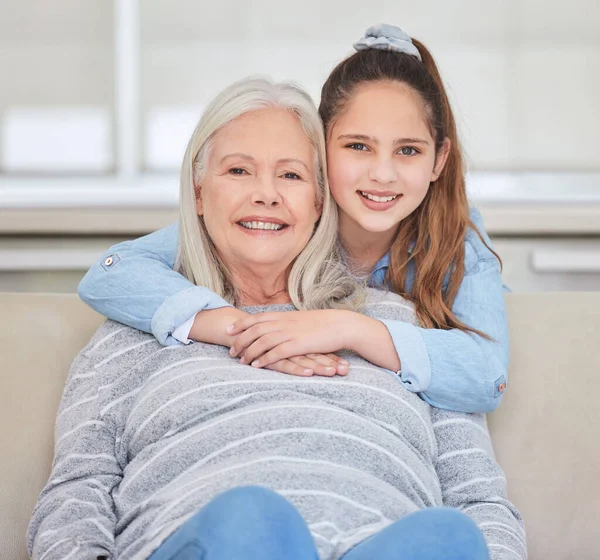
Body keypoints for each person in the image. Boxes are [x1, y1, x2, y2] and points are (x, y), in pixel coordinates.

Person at [28, 77, 525, 560]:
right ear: (199, 194)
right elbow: (78, 491)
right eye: (239, 171)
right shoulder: (136, 327)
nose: (266, 194)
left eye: (290, 175)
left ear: (318, 200)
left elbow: (478, 499)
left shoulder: (403, 326)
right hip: (218, 541)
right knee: (255, 521)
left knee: (447, 538)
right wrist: (236, 327)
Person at [78, 23, 509, 415]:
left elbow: (488, 377)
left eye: (408, 150)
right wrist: (239, 329)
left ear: (439, 160)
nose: (382, 173)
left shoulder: (459, 243)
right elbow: (112, 273)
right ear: (320, 151)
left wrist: (349, 329)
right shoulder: (286, 220)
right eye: (358, 146)